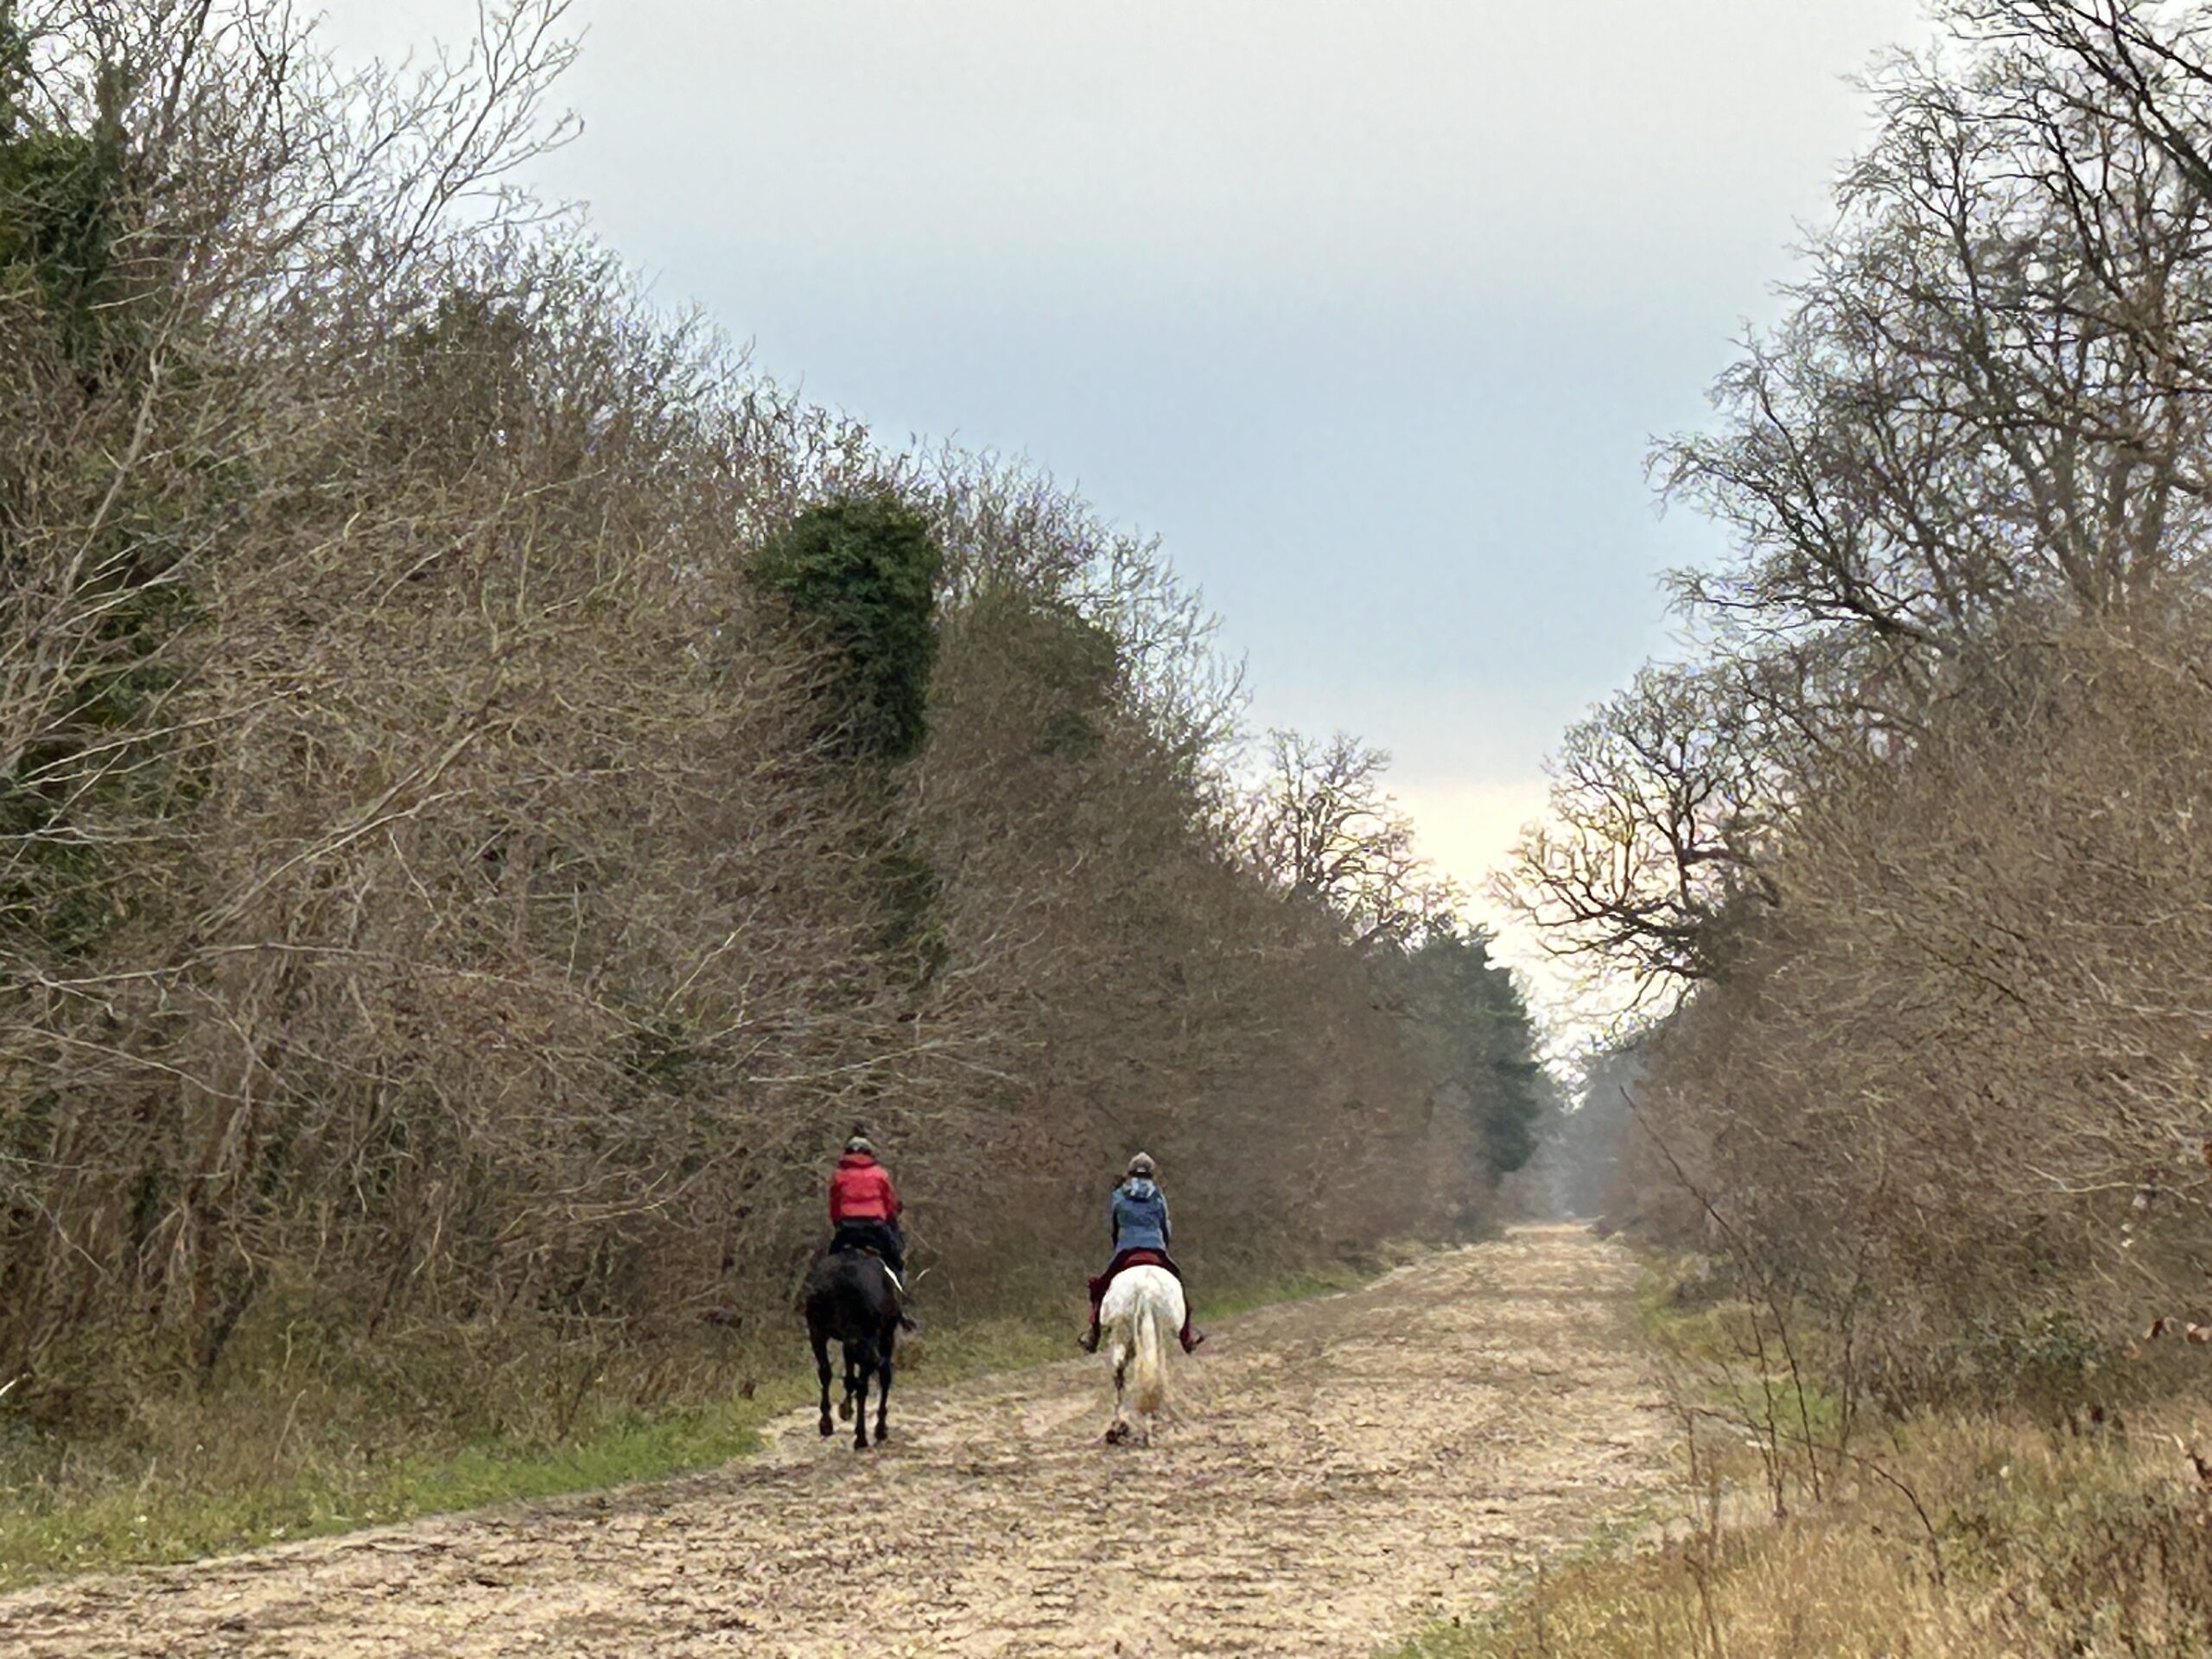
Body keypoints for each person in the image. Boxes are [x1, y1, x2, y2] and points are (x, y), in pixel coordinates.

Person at [1079, 1152, 1205, 1354]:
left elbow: (1113, 1226)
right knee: (1179, 1287)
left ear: (1130, 1173)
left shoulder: (1119, 1195)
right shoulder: (1157, 1196)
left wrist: (1118, 1245)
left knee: (1099, 1288)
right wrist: (1162, 1243)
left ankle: (1093, 1335)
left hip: (1126, 1249)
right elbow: (1165, 1226)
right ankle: (1187, 1335)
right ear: (1152, 1174)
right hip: (1155, 1248)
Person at [828, 1134, 916, 1330]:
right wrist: (890, 1219)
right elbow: (889, 1203)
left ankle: (816, 1304)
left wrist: (838, 1223)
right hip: (876, 1226)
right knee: (896, 1261)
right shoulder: (880, 1174)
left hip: (847, 1227)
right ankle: (903, 1308)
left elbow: (834, 1205)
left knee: (829, 1263)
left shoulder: (838, 1176)